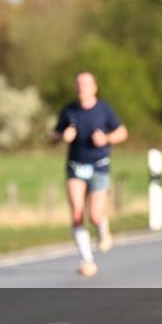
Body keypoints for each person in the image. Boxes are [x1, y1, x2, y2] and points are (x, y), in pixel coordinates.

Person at [52, 71, 127, 277]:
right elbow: (52, 136)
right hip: (75, 167)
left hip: (99, 166)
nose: (81, 89)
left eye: (85, 85)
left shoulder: (104, 109)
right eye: (78, 85)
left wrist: (106, 139)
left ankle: (102, 229)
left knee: (94, 215)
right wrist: (63, 136)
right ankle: (87, 260)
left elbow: (122, 132)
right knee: (77, 213)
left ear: (94, 88)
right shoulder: (69, 111)